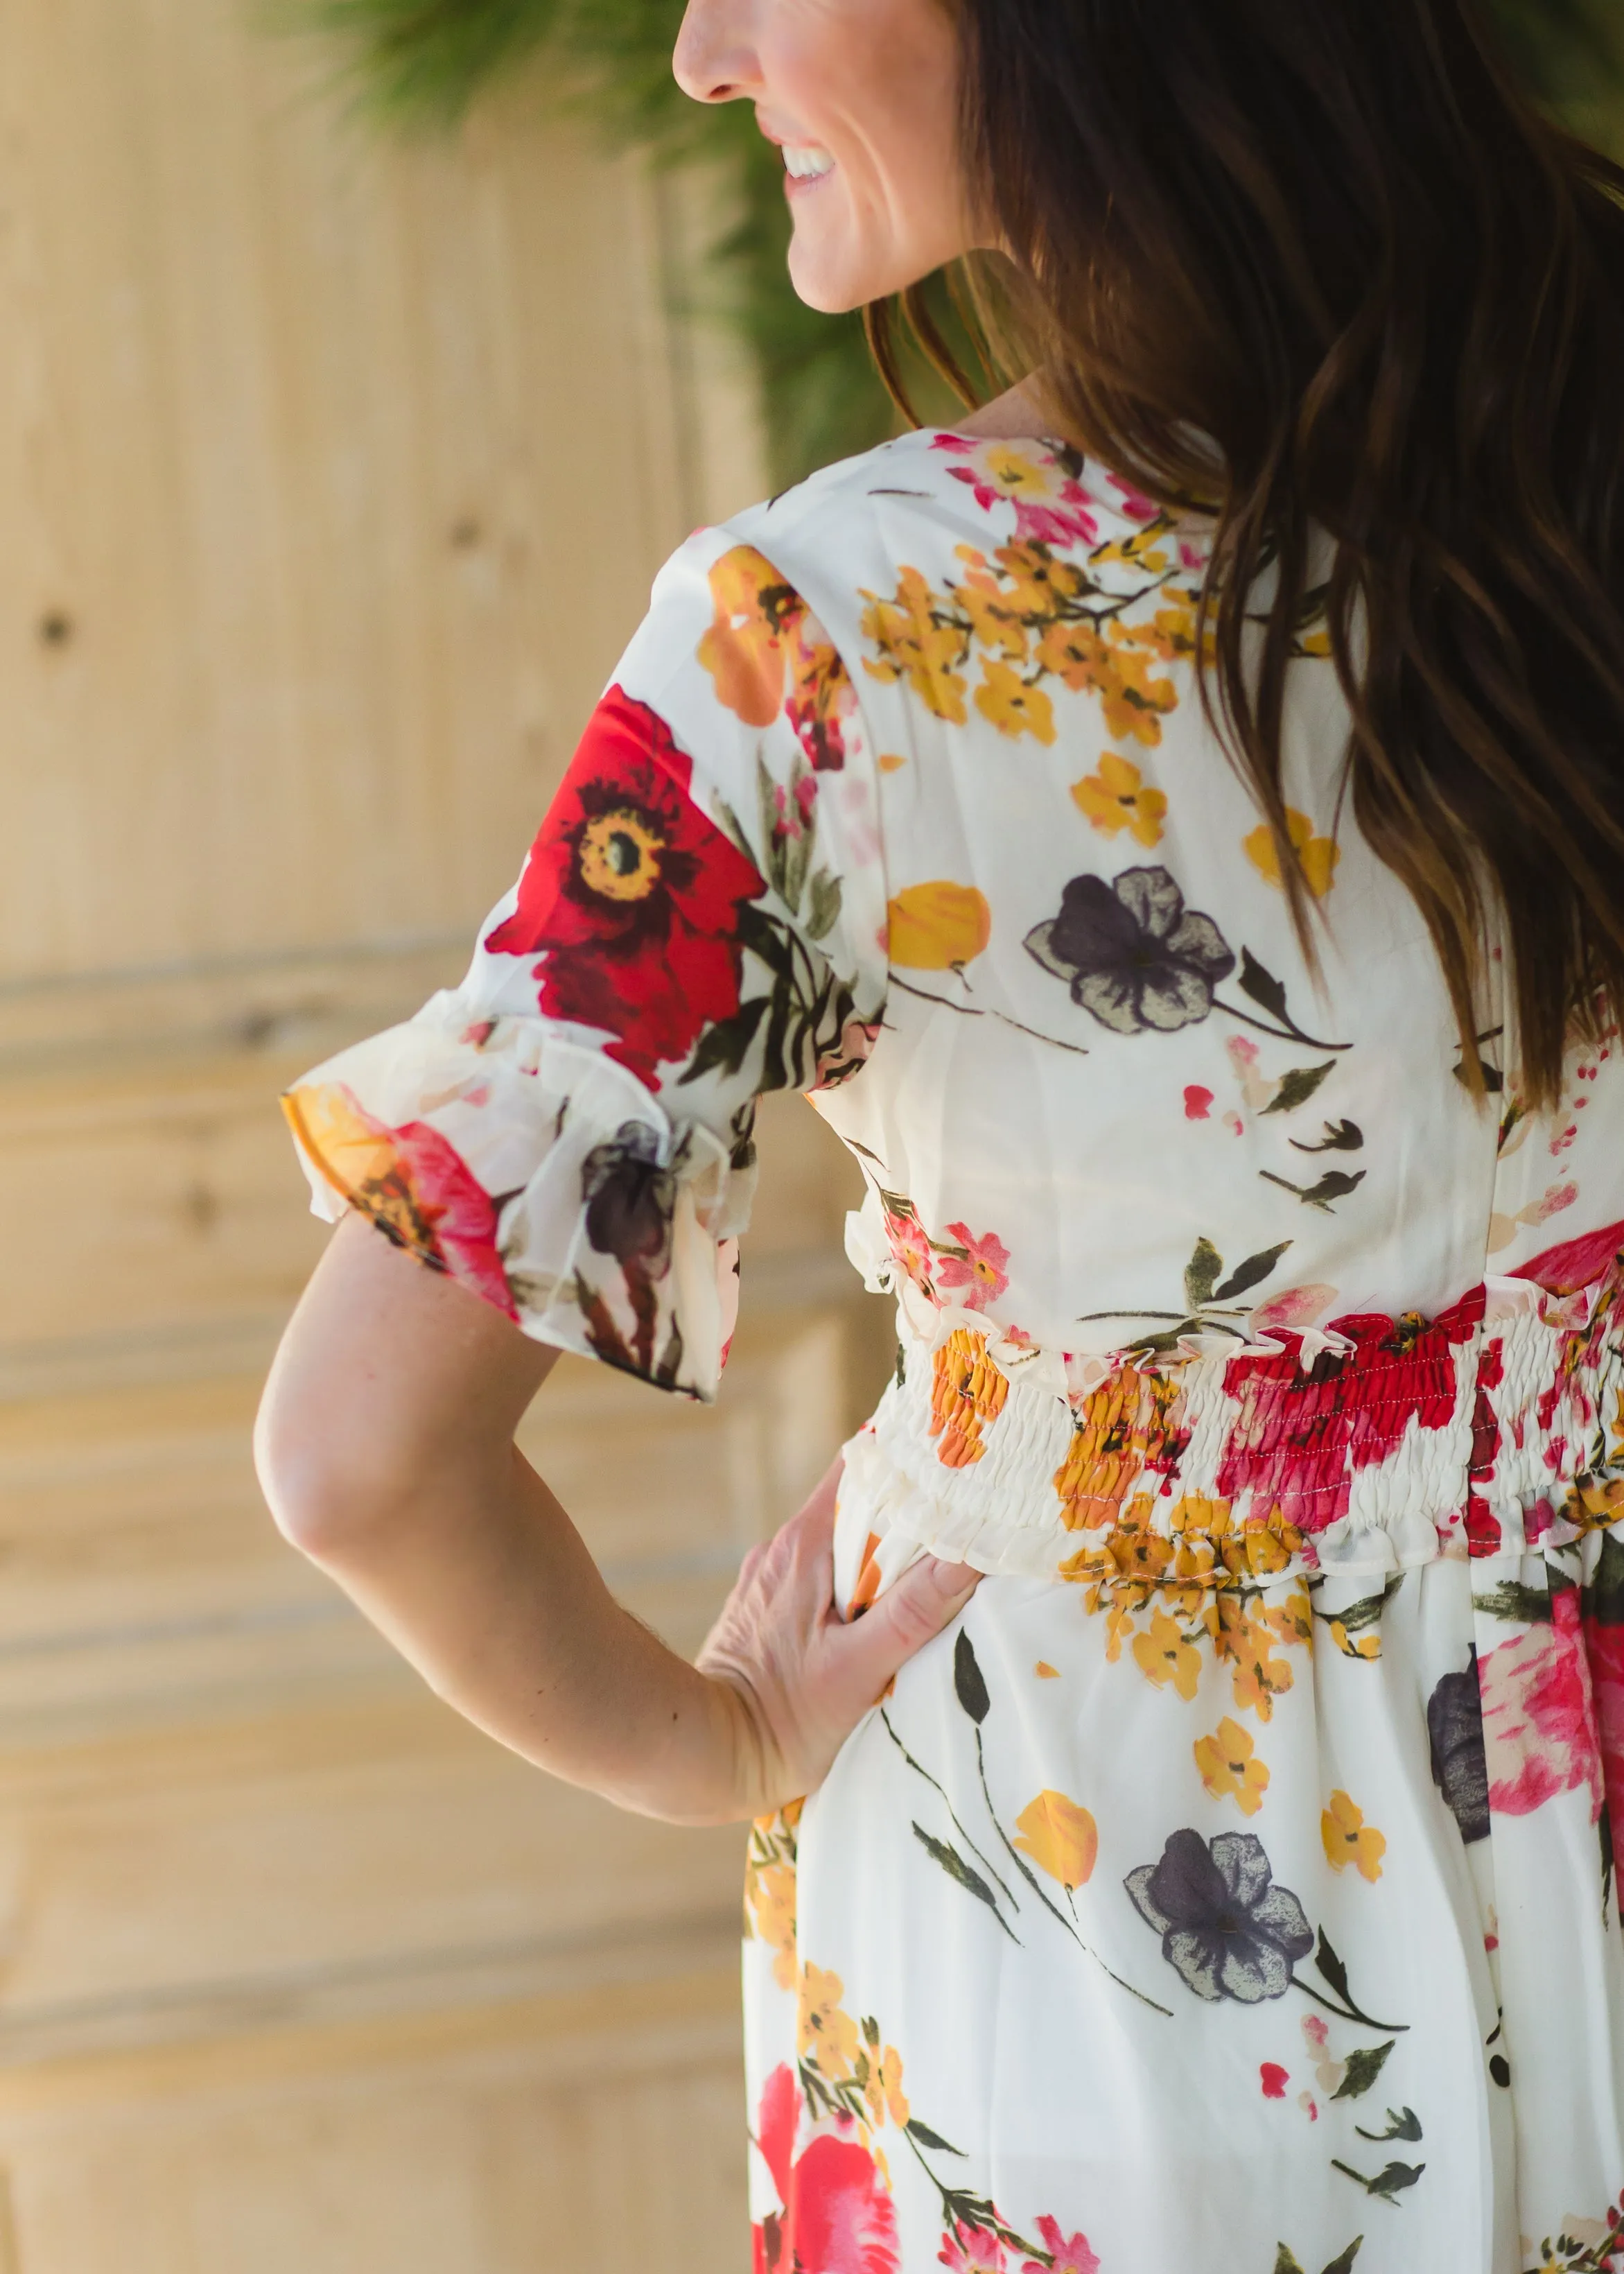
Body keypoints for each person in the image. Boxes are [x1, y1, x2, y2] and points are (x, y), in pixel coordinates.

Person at [254, 0, 1624, 2264]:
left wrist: (712, 1752)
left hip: (1130, 1955)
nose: (702, 52)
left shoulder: (826, 643)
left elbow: (355, 1460)